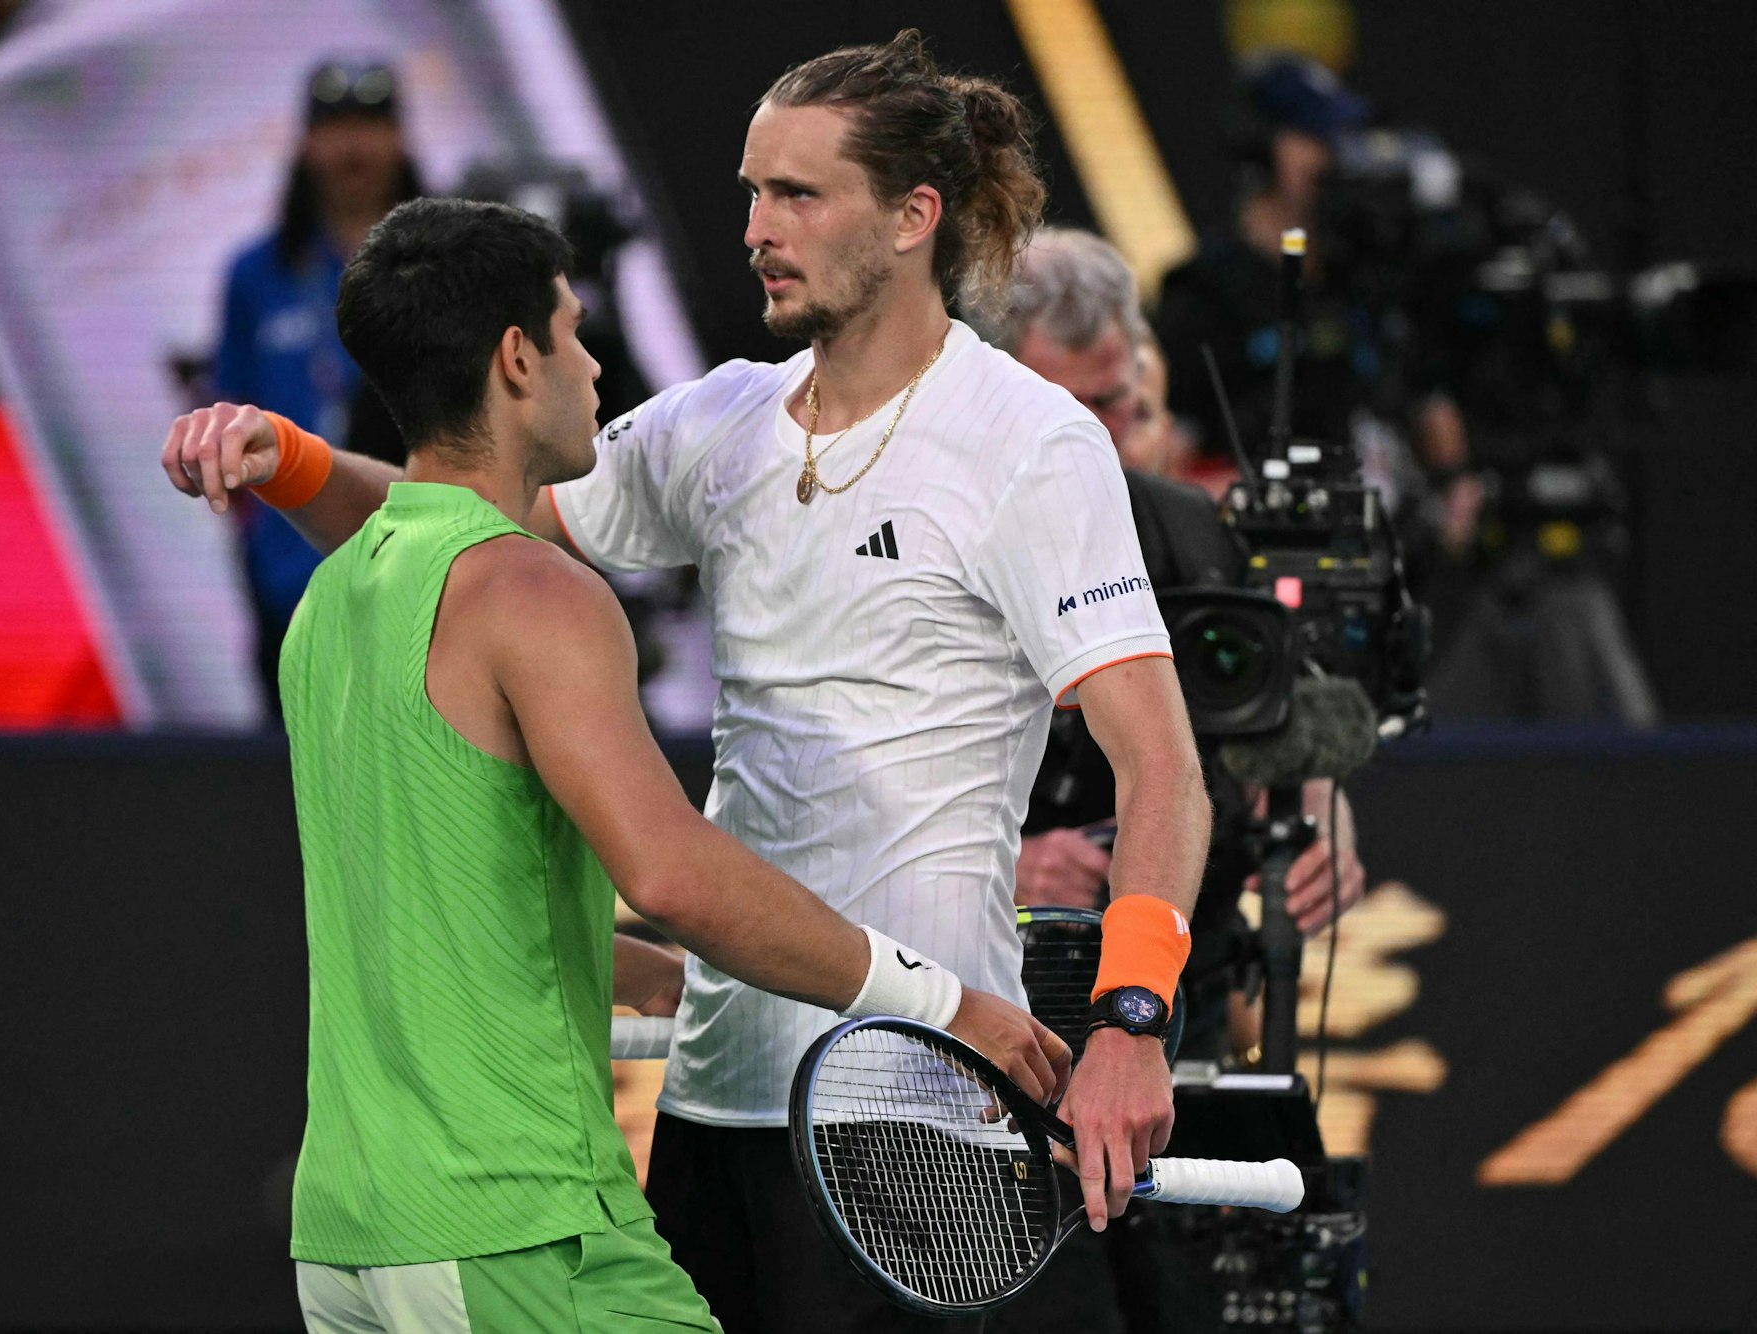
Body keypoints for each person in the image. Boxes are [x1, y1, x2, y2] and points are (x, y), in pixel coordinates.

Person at [166, 32, 1210, 1333]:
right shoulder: (717, 420)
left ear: (910, 218)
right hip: (716, 1102)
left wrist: (1129, 1016)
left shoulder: (1034, 440)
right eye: (750, 193)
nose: (759, 229)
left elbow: (1160, 761)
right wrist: (293, 463)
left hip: (908, 1100)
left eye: (798, 195)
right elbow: (462, 533)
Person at [979, 227, 1367, 1332]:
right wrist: (1005, 860)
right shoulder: (925, 542)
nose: (1106, 439)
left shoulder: (1186, 528)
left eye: (1122, 405)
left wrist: (1320, 810)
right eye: (1078, 409)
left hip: (1163, 1031)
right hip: (967, 1051)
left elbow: (1297, 719)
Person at [215, 58, 426, 713]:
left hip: (424, 578)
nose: (353, 146)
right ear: (305, 143)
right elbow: (228, 420)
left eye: (371, 125)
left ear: (400, 139)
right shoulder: (256, 277)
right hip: (294, 578)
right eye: (335, 127)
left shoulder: (448, 262)